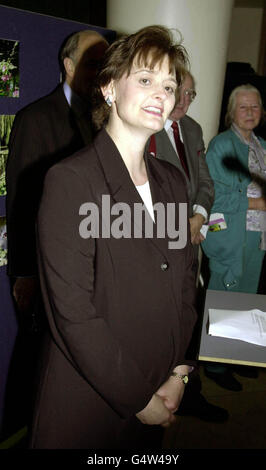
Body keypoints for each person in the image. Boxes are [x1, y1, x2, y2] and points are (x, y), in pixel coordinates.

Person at [29, 25, 197, 449]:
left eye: (169, 85)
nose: (161, 94)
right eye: (145, 80)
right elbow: (73, 314)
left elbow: (184, 283)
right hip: (91, 400)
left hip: (161, 384)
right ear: (108, 88)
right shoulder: (71, 180)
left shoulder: (173, 181)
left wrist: (180, 370)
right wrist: (139, 398)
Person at [3, 30, 108, 437]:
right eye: (90, 60)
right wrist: (25, 272)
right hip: (47, 271)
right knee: (46, 366)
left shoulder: (103, 117)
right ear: (67, 65)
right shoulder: (36, 118)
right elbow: (22, 203)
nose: (99, 69)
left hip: (91, 267)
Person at [148, 73, 228, 423]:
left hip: (191, 244)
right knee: (157, 320)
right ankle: (152, 393)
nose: (185, 99)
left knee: (189, 316)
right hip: (156, 247)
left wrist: (198, 214)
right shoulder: (145, 127)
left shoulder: (192, 129)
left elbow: (205, 181)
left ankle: (189, 390)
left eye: (191, 94)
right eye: (178, 91)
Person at [202, 84, 266, 391]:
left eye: (255, 107)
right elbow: (212, 195)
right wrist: (255, 203)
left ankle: (238, 357)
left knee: (246, 298)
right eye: (244, 107)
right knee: (225, 297)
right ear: (231, 111)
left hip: (257, 236)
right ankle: (215, 364)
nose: (250, 112)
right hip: (231, 234)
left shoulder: (262, 145)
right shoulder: (222, 145)